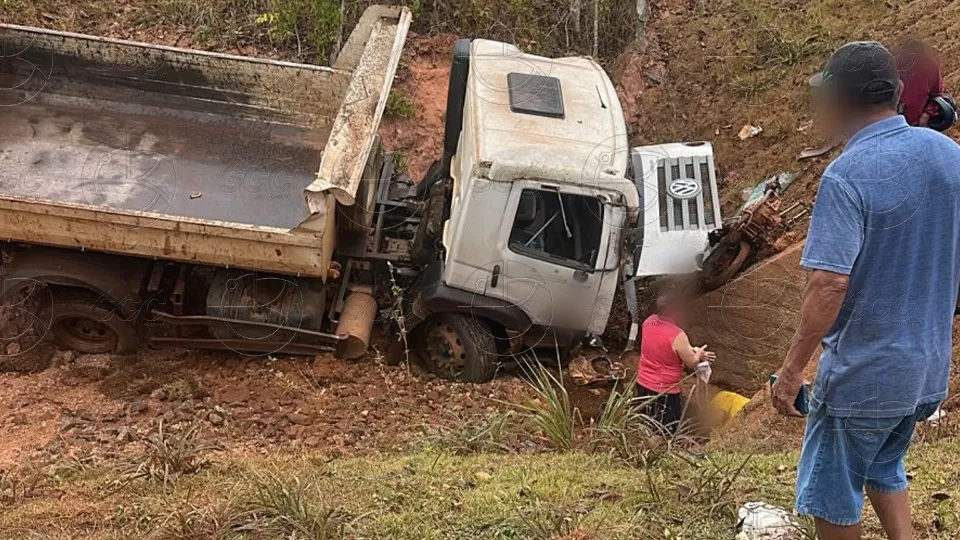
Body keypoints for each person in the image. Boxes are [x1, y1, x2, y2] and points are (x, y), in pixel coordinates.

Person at [772, 41, 960, 540]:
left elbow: (830, 282)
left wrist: (791, 373)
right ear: (897, 92)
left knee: (832, 492)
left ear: (836, 102)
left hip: (864, 374)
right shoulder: (949, 155)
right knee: (882, 464)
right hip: (926, 371)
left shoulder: (847, 174)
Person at [635, 291, 715, 434]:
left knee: (645, 425)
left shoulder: (648, 322)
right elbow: (691, 362)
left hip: (643, 384)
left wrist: (694, 350)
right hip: (664, 391)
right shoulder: (677, 334)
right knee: (665, 431)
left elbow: (666, 346)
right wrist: (699, 354)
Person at [895, 38, 945, 127]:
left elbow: (937, 94)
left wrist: (926, 115)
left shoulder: (929, 66)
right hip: (894, 122)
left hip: (918, 124)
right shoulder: (894, 65)